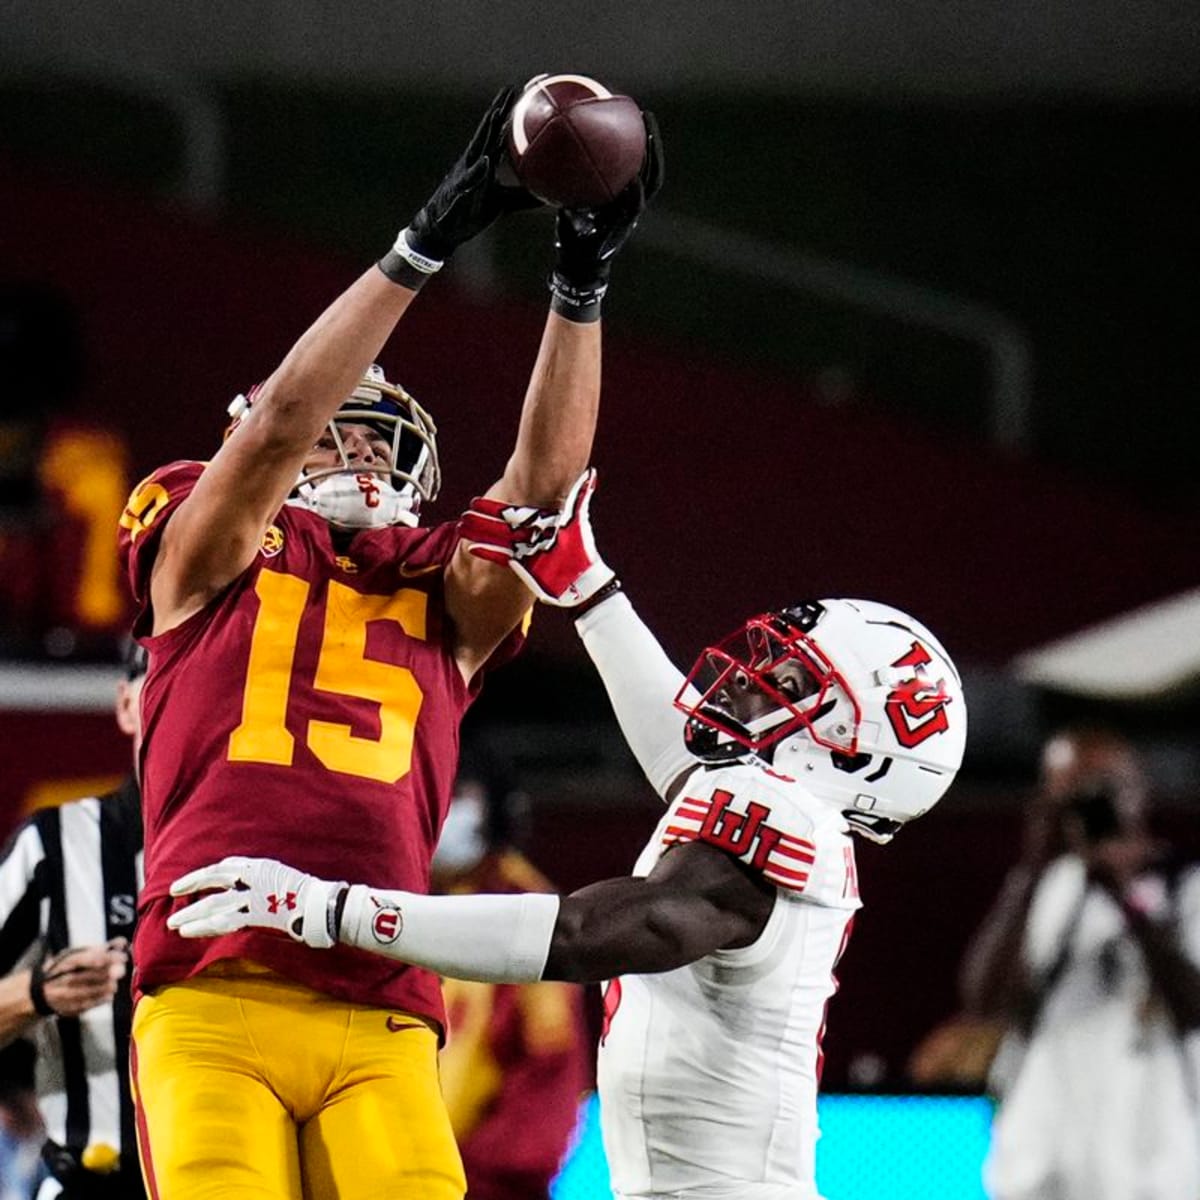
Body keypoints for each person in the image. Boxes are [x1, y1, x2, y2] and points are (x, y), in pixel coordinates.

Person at [117, 87, 661, 1200]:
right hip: (215, 992)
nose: (358, 451)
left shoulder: (439, 590)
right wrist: (426, 243)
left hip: (382, 1005)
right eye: (338, 430)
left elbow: (542, 502)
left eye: (378, 436)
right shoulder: (207, 549)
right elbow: (271, 433)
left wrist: (581, 284)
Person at [168, 469, 967, 1200]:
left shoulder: (785, 817)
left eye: (794, 684)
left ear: (855, 749)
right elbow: (679, 750)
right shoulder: (783, 811)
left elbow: (600, 932)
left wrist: (336, 911)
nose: (757, 686)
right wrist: (587, 586)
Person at [958, 726, 1200, 1200]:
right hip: (1045, 1160)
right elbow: (981, 999)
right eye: (1068, 794)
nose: (1087, 806)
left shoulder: (1184, 886)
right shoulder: (1052, 887)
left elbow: (1194, 1007)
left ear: (1139, 789)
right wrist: (1032, 865)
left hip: (1153, 1160)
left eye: (1102, 789)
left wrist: (1121, 888)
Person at [0, 641, 147, 1199]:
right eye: (166, 679)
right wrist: (36, 994)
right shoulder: (57, 846)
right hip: (96, 1181)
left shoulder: (269, 854)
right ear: (126, 704)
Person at [433, 753, 590, 1200]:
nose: (446, 812)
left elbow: (549, 1066)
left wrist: (489, 1178)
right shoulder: (425, 903)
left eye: (461, 796)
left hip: (481, 1183)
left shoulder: (528, 915)